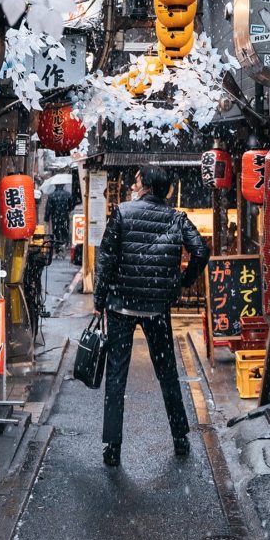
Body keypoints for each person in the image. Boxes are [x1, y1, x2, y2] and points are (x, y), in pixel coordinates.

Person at [93, 164, 209, 467]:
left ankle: (112, 447)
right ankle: (180, 437)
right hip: (157, 308)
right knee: (167, 373)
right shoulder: (176, 217)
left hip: (121, 306)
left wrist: (99, 298)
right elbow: (201, 251)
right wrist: (182, 282)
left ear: (146, 184)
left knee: (116, 376)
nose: (133, 183)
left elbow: (106, 258)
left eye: (136, 179)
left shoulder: (122, 212)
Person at [45, 183, 72, 252]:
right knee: (65, 230)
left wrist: (47, 217)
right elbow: (71, 206)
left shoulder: (51, 195)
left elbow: (48, 208)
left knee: (56, 231)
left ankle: (57, 248)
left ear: (55, 186)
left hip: (55, 217)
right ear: (63, 186)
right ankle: (64, 245)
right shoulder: (68, 194)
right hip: (65, 216)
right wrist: (67, 210)